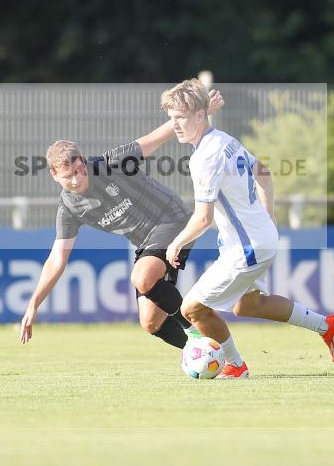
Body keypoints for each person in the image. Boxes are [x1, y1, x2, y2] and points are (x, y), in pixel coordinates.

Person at [162, 79, 334, 379]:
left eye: (179, 117)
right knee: (249, 304)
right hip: (261, 240)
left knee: (192, 308)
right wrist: (269, 216)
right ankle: (327, 325)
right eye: (170, 118)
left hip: (245, 248)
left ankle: (234, 364)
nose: (174, 125)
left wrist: (177, 242)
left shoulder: (204, 157)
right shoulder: (225, 139)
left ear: (199, 115)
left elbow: (203, 218)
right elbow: (265, 172)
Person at [19, 91, 225, 350]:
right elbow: (57, 259)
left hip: (172, 219)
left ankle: (195, 332)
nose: (76, 179)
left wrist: (202, 113)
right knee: (150, 322)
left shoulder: (112, 163)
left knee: (141, 277)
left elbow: (156, 137)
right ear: (54, 176)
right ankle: (207, 353)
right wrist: (33, 304)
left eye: (78, 170)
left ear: (84, 162)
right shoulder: (69, 209)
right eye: (67, 176)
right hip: (146, 244)